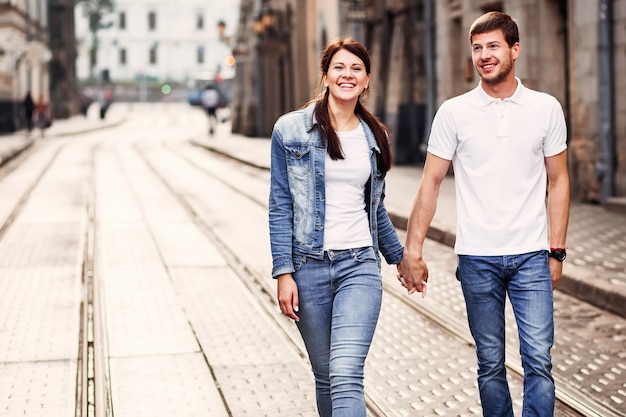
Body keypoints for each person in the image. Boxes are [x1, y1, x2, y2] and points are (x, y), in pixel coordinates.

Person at [397, 11, 570, 417]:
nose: (484, 55)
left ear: (515, 49)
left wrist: (556, 251)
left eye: (493, 46)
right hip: (477, 258)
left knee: (539, 363)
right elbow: (431, 183)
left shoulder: (545, 108)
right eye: (477, 48)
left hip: (531, 256)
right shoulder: (454, 112)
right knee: (490, 365)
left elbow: (559, 182)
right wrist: (413, 250)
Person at [268, 38, 404, 417]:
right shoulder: (290, 130)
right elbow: (280, 204)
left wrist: (400, 260)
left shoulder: (375, 137)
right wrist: (283, 272)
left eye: (356, 69)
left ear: (366, 80)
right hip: (307, 268)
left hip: (358, 265)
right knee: (326, 375)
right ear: (326, 75)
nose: (347, 75)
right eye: (339, 68)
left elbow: (375, 209)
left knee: (345, 373)